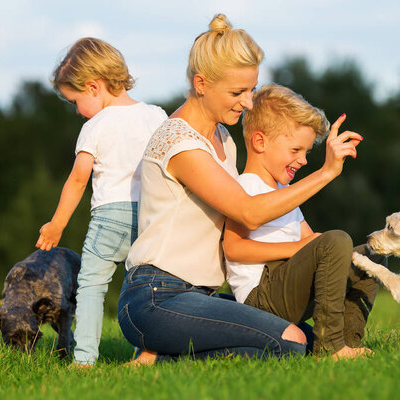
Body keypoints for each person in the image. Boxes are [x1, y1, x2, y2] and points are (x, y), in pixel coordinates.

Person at [118, 14, 363, 365]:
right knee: (290, 342)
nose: (248, 102)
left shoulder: (222, 140)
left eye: (251, 89)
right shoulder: (180, 143)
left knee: (308, 340)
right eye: (237, 92)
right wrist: (325, 173)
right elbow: (248, 211)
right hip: (157, 297)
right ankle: (159, 358)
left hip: (201, 297)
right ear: (201, 84)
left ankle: (161, 351)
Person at [35, 37, 168, 367]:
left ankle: (84, 360)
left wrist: (57, 224)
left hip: (110, 217)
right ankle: (148, 353)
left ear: (94, 86)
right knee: (148, 289)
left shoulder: (95, 126)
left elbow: (78, 179)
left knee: (91, 286)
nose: (76, 110)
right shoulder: (156, 115)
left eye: (74, 101)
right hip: (153, 217)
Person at [223, 83, 380, 358]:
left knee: (370, 257)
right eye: (295, 150)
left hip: (287, 288)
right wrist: (298, 249)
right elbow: (233, 249)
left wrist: (319, 248)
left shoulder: (284, 193)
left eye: (306, 152)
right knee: (338, 239)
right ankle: (329, 347)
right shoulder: (246, 187)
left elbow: (311, 241)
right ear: (260, 142)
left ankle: (348, 342)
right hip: (260, 297)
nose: (304, 160)